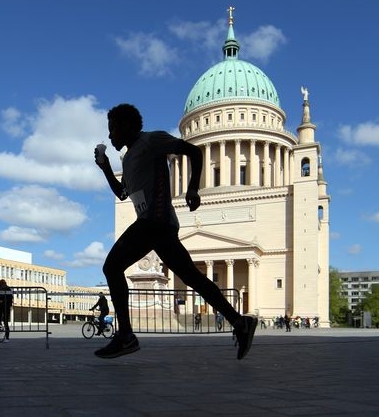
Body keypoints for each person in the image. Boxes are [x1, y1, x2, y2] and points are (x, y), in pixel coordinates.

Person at [93, 103, 258, 359]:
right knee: (193, 277)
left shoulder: (153, 140)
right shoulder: (129, 158)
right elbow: (122, 193)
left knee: (112, 267)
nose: (111, 135)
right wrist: (105, 168)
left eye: (112, 129)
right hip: (157, 226)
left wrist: (193, 188)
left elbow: (193, 151)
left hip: (155, 222)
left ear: (126, 125)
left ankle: (125, 335)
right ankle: (239, 322)